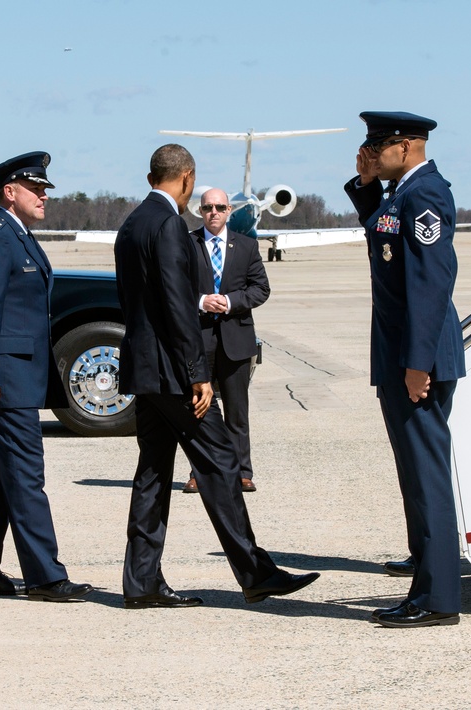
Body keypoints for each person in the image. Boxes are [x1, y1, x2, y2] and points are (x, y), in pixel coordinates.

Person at [114, 144, 318, 609]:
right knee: (222, 458)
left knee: (152, 471)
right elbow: (177, 306)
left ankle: (141, 581)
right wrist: (197, 374)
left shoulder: (131, 224)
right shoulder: (169, 226)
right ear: (187, 178)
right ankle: (256, 573)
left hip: (145, 369)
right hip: (173, 374)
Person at [0, 151, 93, 602]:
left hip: (17, 377)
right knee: (27, 476)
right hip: (5, 381)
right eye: (36, 189)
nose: (44, 196)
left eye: (45, 189)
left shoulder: (20, 236)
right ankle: (46, 577)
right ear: (10, 192)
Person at [344, 111, 465, 628]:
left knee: (427, 474)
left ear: (408, 145)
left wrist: (418, 364)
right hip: (401, 357)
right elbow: (383, 238)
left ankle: (437, 599)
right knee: (414, 474)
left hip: (420, 359)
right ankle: (426, 574)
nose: (371, 154)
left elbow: (430, 284)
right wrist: (367, 186)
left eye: (379, 147)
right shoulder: (401, 194)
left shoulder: (426, 195)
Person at [182, 188, 269, 495]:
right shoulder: (187, 244)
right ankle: (199, 472)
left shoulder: (246, 246)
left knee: (236, 411)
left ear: (229, 210)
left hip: (236, 338)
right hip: (199, 340)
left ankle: (242, 472)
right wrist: (202, 301)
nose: (214, 212)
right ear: (200, 211)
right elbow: (175, 290)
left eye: (219, 207)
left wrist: (231, 302)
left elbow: (261, 289)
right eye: (207, 208)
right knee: (199, 410)